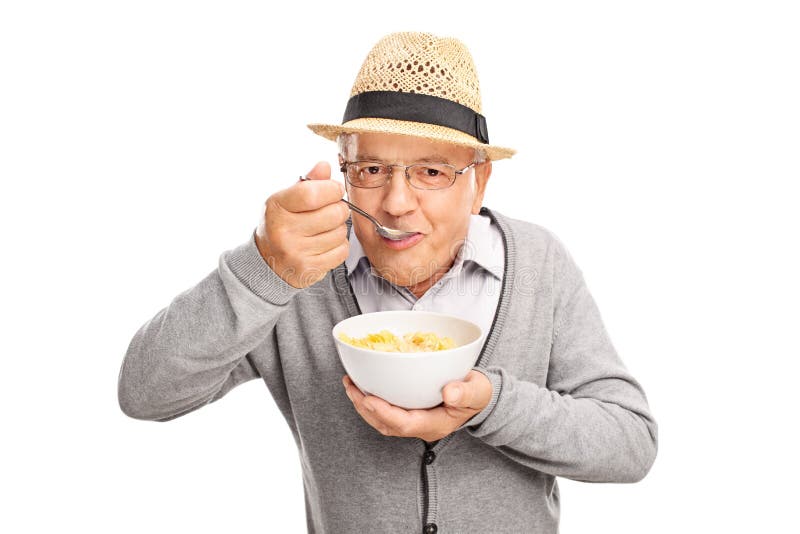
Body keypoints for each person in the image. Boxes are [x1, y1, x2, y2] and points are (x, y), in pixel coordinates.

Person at [118, 31, 658, 533]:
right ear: (344, 172)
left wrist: (492, 405)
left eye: (431, 172)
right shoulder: (300, 277)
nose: (396, 205)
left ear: (478, 183)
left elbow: (630, 443)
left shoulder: (539, 262)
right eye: (371, 170)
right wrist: (263, 269)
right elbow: (145, 393)